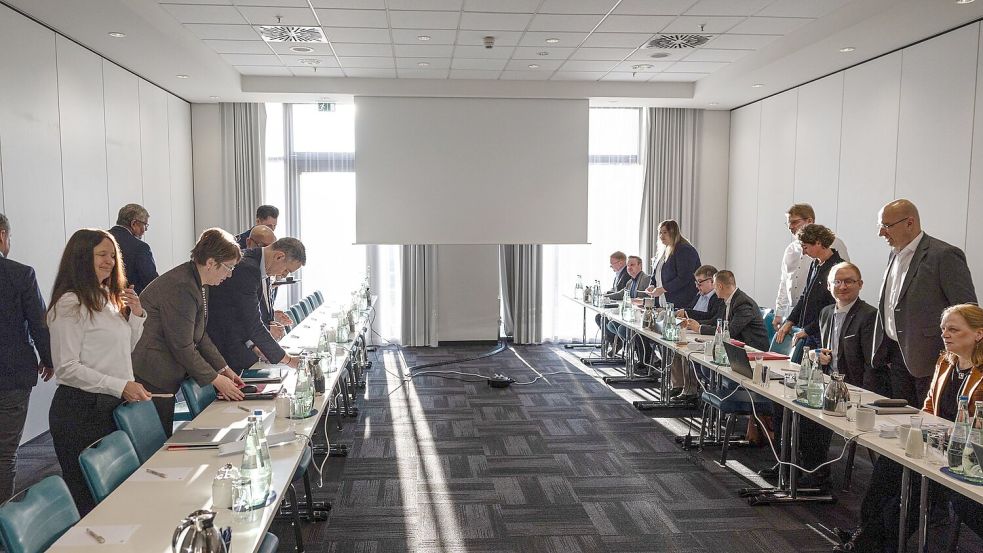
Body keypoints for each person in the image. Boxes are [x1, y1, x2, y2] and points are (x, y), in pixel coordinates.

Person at [835, 304, 983, 552]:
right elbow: (929, 406)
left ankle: (875, 542)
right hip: (937, 441)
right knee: (889, 463)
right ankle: (867, 533)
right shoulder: (946, 362)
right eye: (943, 329)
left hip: (969, 453)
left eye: (954, 330)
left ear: (979, 334)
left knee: (914, 479)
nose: (945, 334)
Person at [46, 229, 151, 514]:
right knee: (91, 503)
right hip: (80, 411)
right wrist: (120, 386)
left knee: (117, 497)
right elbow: (67, 369)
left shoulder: (106, 297)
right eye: (102, 255)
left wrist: (138, 316)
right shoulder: (70, 303)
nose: (110, 262)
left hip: (108, 404)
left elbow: (121, 351)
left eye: (113, 256)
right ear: (81, 259)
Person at [132, 229, 246, 436]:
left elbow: (200, 335)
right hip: (153, 373)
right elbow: (182, 346)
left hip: (164, 368)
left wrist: (224, 369)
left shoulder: (199, 282)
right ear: (211, 262)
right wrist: (216, 379)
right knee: (156, 443)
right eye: (228, 267)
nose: (229, 275)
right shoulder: (182, 286)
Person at [872, 199, 976, 406]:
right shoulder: (894, 255)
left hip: (930, 357)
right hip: (895, 353)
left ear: (909, 223)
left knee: (927, 424)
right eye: (880, 226)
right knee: (901, 422)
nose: (881, 233)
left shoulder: (944, 255)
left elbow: (967, 310)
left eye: (886, 226)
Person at [797, 262, 878, 491]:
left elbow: (871, 364)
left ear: (860, 285)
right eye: (837, 282)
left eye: (849, 281)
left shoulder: (869, 315)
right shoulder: (825, 313)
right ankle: (800, 467)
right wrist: (817, 355)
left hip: (853, 389)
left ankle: (817, 476)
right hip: (827, 383)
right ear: (829, 286)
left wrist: (862, 397)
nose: (843, 286)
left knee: (812, 420)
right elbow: (824, 349)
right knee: (794, 411)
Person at [0, 213, 53, 504]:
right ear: (1, 236)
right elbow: (39, 323)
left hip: (12, 375)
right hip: (12, 375)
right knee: (5, 452)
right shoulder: (20, 274)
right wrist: (48, 359)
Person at [206, 237, 306, 372]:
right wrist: (288, 360)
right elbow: (253, 324)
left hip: (238, 342)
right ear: (279, 256)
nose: (282, 276)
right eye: (286, 270)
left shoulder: (254, 262)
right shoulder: (248, 269)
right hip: (225, 348)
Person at [774, 203, 849, 328]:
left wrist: (809, 330)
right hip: (799, 311)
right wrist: (781, 314)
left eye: (794, 222)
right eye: (788, 223)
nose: (790, 227)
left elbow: (843, 280)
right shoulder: (795, 252)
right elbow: (785, 281)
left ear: (810, 221)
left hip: (823, 318)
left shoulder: (835, 247)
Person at [774, 224, 844, 350]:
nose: (804, 252)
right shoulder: (815, 264)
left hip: (825, 333)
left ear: (818, 243)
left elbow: (834, 308)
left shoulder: (838, 268)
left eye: (805, 247)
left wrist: (808, 330)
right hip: (810, 331)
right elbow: (805, 296)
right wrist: (789, 321)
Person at [669, 265, 725, 399]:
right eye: (696, 282)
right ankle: (678, 386)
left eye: (700, 282)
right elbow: (691, 309)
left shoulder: (719, 297)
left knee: (686, 349)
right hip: (692, 330)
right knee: (675, 345)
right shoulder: (699, 295)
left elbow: (713, 319)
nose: (697, 286)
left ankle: (690, 391)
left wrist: (691, 318)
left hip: (705, 334)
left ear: (712, 281)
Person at [682, 270, 769, 351]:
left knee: (708, 355)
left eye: (715, 286)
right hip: (734, 345)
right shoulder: (725, 300)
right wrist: (694, 324)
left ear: (720, 286)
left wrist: (699, 328)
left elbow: (730, 331)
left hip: (753, 349)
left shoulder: (743, 303)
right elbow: (715, 321)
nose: (714, 290)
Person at [644, 220, 702, 309]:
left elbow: (683, 277)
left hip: (681, 300)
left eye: (665, 232)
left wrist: (663, 289)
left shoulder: (684, 249)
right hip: (663, 301)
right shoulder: (663, 251)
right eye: (660, 233)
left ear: (673, 233)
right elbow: (655, 274)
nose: (661, 236)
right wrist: (652, 285)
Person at [108, 203, 158, 294]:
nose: (145, 230)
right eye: (145, 225)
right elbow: (152, 283)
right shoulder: (140, 248)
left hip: (100, 300)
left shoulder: (99, 240)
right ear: (134, 223)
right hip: (130, 303)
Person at [604, 255, 650, 353]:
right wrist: (605, 296)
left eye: (632, 265)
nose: (629, 267)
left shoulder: (646, 279)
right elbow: (621, 294)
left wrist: (638, 301)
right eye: (628, 265)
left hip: (642, 317)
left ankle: (648, 357)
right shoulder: (630, 281)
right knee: (612, 325)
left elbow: (650, 299)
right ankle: (634, 351)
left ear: (640, 266)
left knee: (622, 330)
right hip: (631, 316)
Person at [594, 251, 631, 331]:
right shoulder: (619, 273)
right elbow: (615, 290)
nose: (611, 266)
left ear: (620, 262)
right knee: (600, 317)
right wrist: (606, 293)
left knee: (602, 319)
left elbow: (621, 293)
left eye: (612, 264)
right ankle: (611, 341)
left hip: (622, 309)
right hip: (616, 307)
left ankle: (616, 342)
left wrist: (604, 296)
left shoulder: (627, 274)